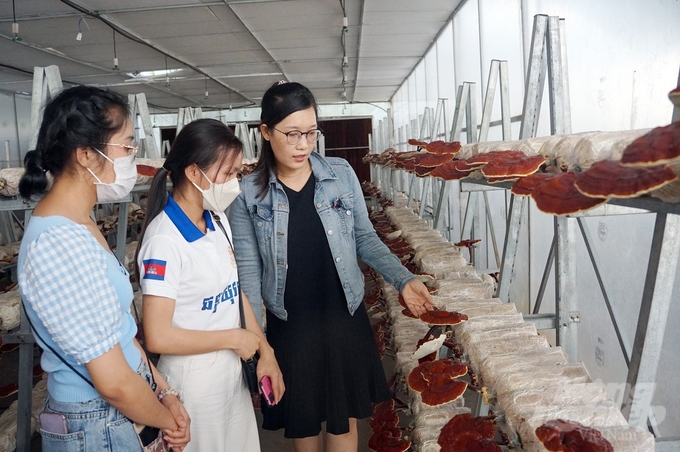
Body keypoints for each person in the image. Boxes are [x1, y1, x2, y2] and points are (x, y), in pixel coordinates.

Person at [227, 81, 435, 452]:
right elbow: (249, 277)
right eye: (291, 134)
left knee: (343, 423)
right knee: (304, 424)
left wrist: (402, 279)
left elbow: (365, 238)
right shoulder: (247, 194)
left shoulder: (339, 174)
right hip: (290, 324)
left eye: (310, 132)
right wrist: (262, 347)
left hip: (343, 314)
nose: (303, 144)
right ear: (264, 132)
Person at [17, 85, 190, 451]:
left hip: (125, 405)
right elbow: (112, 383)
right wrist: (165, 421)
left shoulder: (82, 221)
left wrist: (164, 390)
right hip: (97, 420)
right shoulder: (58, 243)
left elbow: (121, 334)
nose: (132, 157)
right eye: (127, 147)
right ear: (85, 155)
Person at [135, 118, 284, 452]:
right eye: (227, 173)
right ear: (193, 173)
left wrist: (265, 350)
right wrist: (234, 338)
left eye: (236, 173)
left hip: (231, 378)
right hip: (194, 385)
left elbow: (235, 294)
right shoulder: (164, 240)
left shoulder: (217, 222)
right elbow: (158, 335)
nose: (234, 182)